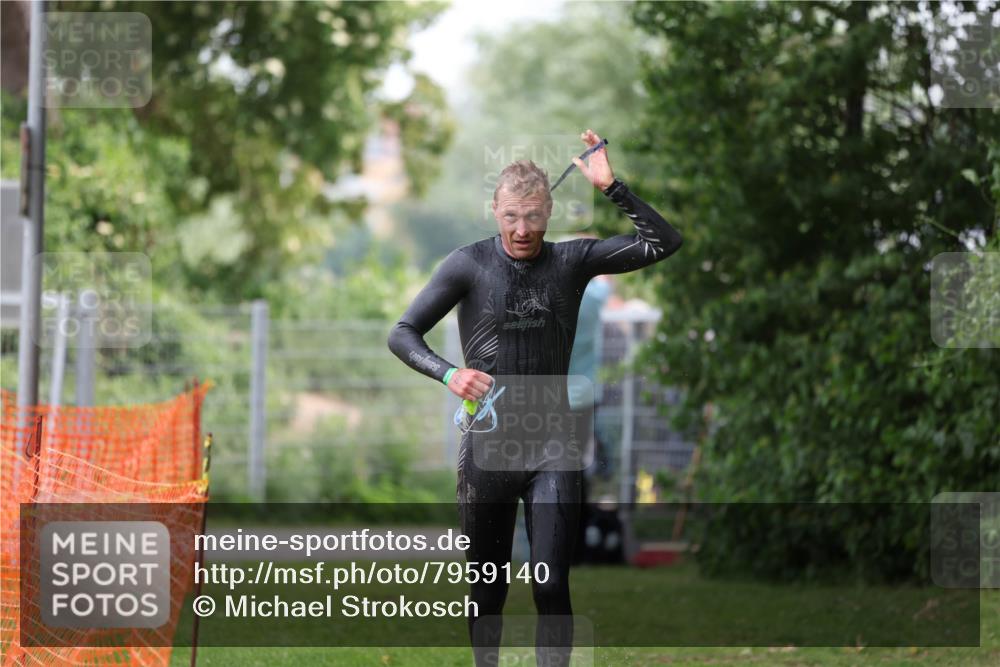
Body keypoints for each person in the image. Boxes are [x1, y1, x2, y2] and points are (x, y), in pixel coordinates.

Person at [387, 129, 683, 666]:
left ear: (548, 212)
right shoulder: (468, 265)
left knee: (550, 586)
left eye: (532, 217)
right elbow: (403, 333)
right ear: (494, 211)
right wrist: (449, 374)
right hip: (488, 446)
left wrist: (611, 186)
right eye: (511, 217)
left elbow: (663, 241)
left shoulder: (573, 261)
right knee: (488, 591)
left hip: (553, 444)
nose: (522, 230)